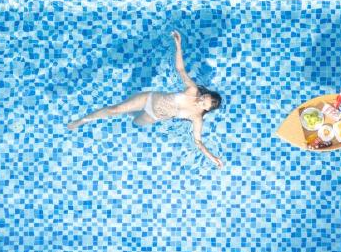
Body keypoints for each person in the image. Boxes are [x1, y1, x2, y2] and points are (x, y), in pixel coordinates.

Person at [66, 30, 224, 168]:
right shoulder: (193, 90)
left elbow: (198, 141)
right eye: (204, 96)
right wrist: (178, 46)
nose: (200, 99)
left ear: (207, 109)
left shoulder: (197, 118)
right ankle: (83, 120)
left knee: (134, 121)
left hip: (153, 116)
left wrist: (212, 157)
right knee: (115, 110)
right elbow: (180, 69)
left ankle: (130, 112)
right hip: (149, 99)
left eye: (204, 102)